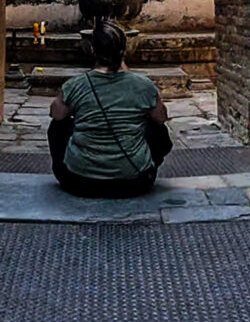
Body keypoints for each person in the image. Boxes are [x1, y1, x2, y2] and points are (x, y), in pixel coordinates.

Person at [48, 20, 172, 197]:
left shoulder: (75, 85)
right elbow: (161, 118)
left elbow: (56, 114)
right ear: (124, 50)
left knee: (57, 126)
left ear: (92, 49)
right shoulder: (143, 86)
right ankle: (139, 165)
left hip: (79, 181)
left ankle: (77, 164)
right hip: (135, 183)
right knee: (156, 128)